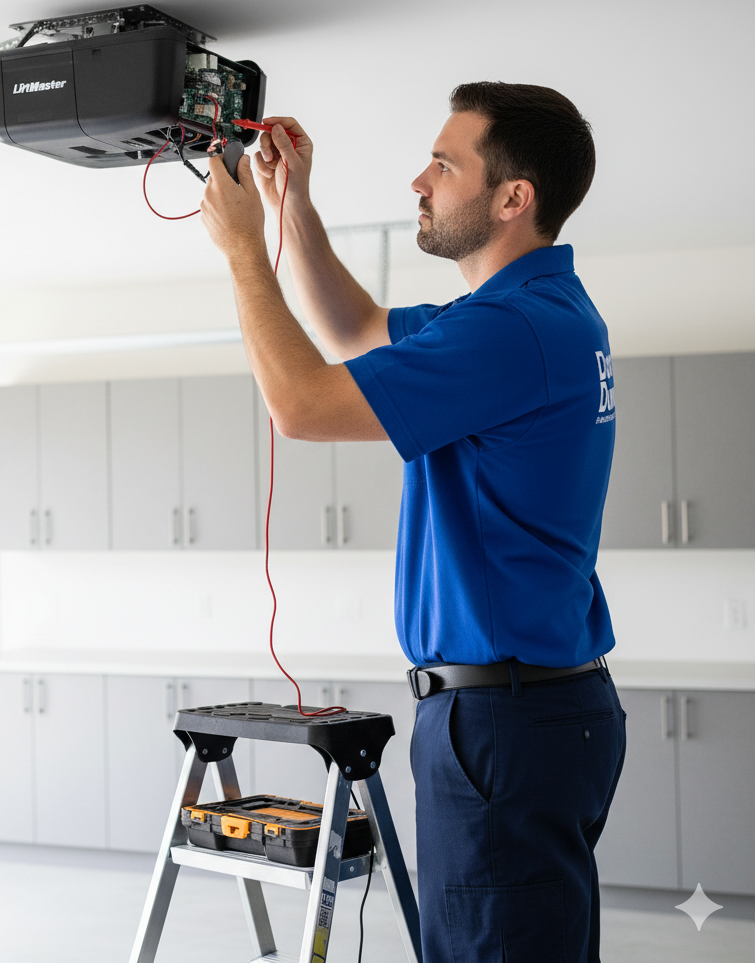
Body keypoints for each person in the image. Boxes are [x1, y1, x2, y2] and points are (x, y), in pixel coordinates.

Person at [199, 82, 626, 963]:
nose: (418, 182)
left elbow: (302, 404)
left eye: (444, 163)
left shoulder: (513, 331)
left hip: (505, 718)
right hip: (530, 710)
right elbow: (354, 328)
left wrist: (243, 250)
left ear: (514, 198)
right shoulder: (521, 317)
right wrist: (290, 207)